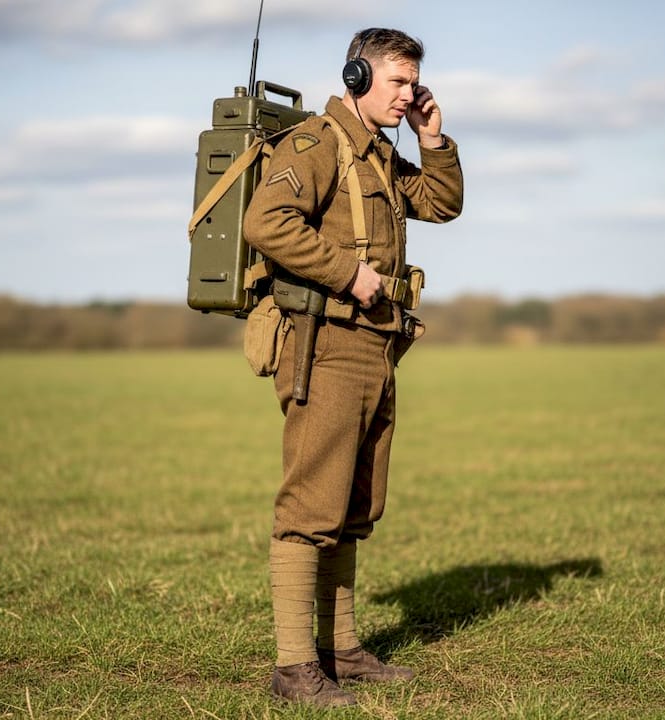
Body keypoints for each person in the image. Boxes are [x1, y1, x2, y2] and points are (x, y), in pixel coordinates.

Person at [242, 27, 464, 707]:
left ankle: (341, 652)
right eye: (397, 82)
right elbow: (265, 221)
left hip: (375, 345)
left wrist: (431, 138)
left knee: (352, 507)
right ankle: (292, 668)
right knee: (311, 504)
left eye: (413, 82)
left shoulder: (379, 154)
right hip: (325, 343)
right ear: (359, 77)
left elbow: (442, 204)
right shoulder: (314, 144)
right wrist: (348, 273)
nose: (409, 94)